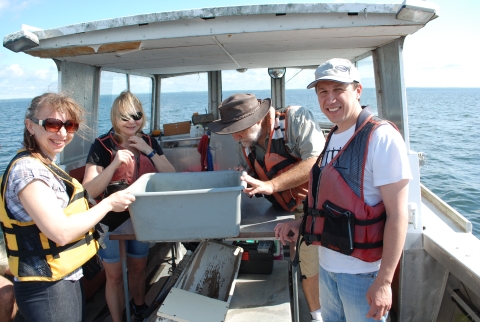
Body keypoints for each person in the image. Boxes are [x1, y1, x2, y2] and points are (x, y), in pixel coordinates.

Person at [275, 58, 411, 322]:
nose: (330, 99)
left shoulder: (381, 137)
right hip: (328, 270)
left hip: (363, 275)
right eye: (323, 92)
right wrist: (302, 223)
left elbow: (398, 215)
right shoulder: (332, 136)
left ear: (357, 90)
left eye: (338, 89)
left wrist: (384, 282)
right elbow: (333, 207)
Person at [0, 92, 135, 322]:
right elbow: (61, 232)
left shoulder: (45, 164)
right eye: (52, 124)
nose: (62, 133)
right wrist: (110, 204)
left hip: (65, 276)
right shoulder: (28, 171)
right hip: (46, 288)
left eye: (69, 125)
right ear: (30, 126)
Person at [208, 93, 325, 322]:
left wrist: (272, 185)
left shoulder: (297, 120)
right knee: (299, 261)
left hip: (314, 206)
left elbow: (317, 161)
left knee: (309, 265)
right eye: (231, 131)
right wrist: (244, 178)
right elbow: (255, 174)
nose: (235, 137)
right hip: (282, 210)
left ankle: (317, 316)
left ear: (257, 119)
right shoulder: (244, 144)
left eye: (238, 130)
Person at [82, 91, 175, 322]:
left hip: (140, 218)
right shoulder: (102, 146)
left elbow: (171, 176)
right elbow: (89, 190)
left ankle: (139, 306)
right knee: (114, 276)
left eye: (137, 115)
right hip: (110, 221)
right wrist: (114, 164)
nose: (132, 121)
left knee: (137, 268)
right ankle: (117, 319)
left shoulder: (150, 141)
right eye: (125, 117)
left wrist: (148, 150)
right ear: (115, 118)